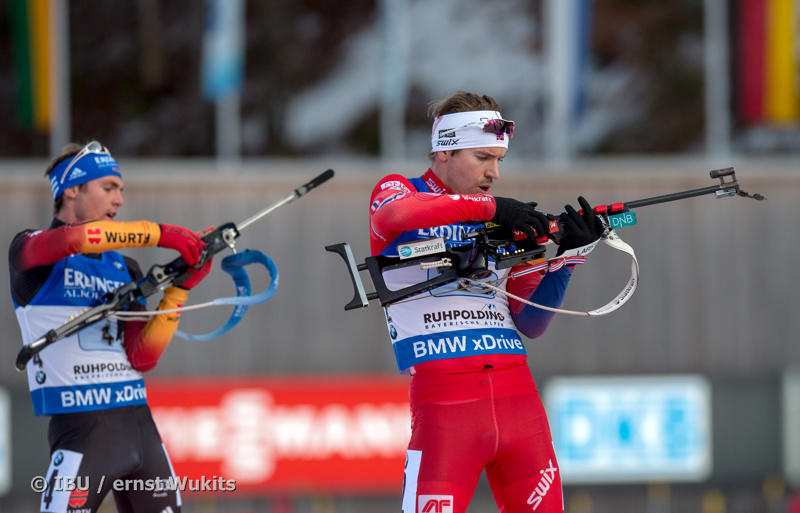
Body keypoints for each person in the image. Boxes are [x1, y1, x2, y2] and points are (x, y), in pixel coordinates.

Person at [368, 92, 605, 513]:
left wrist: (568, 257)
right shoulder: (398, 190)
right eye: (482, 158)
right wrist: (491, 209)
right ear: (445, 151)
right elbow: (395, 218)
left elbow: (531, 322)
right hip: (446, 409)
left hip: (521, 404)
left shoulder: (509, 223)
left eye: (499, 160)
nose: (494, 172)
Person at [9, 141, 213, 513]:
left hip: (139, 425)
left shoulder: (126, 268)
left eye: (121, 190)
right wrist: (164, 234)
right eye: (108, 188)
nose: (119, 201)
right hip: (84, 431)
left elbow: (143, 357)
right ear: (72, 190)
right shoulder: (30, 250)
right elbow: (76, 239)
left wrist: (179, 291)